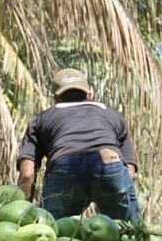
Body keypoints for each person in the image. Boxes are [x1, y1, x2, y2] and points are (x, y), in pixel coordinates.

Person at [16, 68, 141, 222]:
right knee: (130, 233)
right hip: (109, 162)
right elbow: (129, 168)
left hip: (65, 169)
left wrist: (20, 215)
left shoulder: (41, 119)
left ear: (55, 97)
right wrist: (116, 190)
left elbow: (27, 173)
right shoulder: (112, 115)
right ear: (89, 94)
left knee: (54, 235)